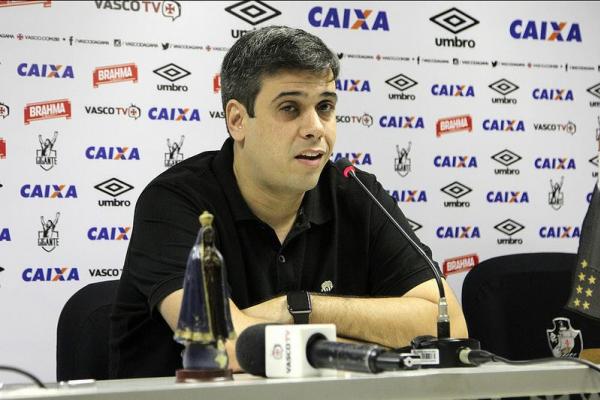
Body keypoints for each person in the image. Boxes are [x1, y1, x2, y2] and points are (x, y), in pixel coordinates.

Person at [109, 25, 468, 378]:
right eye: (290, 108)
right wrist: (367, 345)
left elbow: (448, 327)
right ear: (237, 120)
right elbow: (224, 345)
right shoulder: (174, 201)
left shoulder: (356, 191)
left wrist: (298, 307)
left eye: (325, 107)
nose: (315, 128)